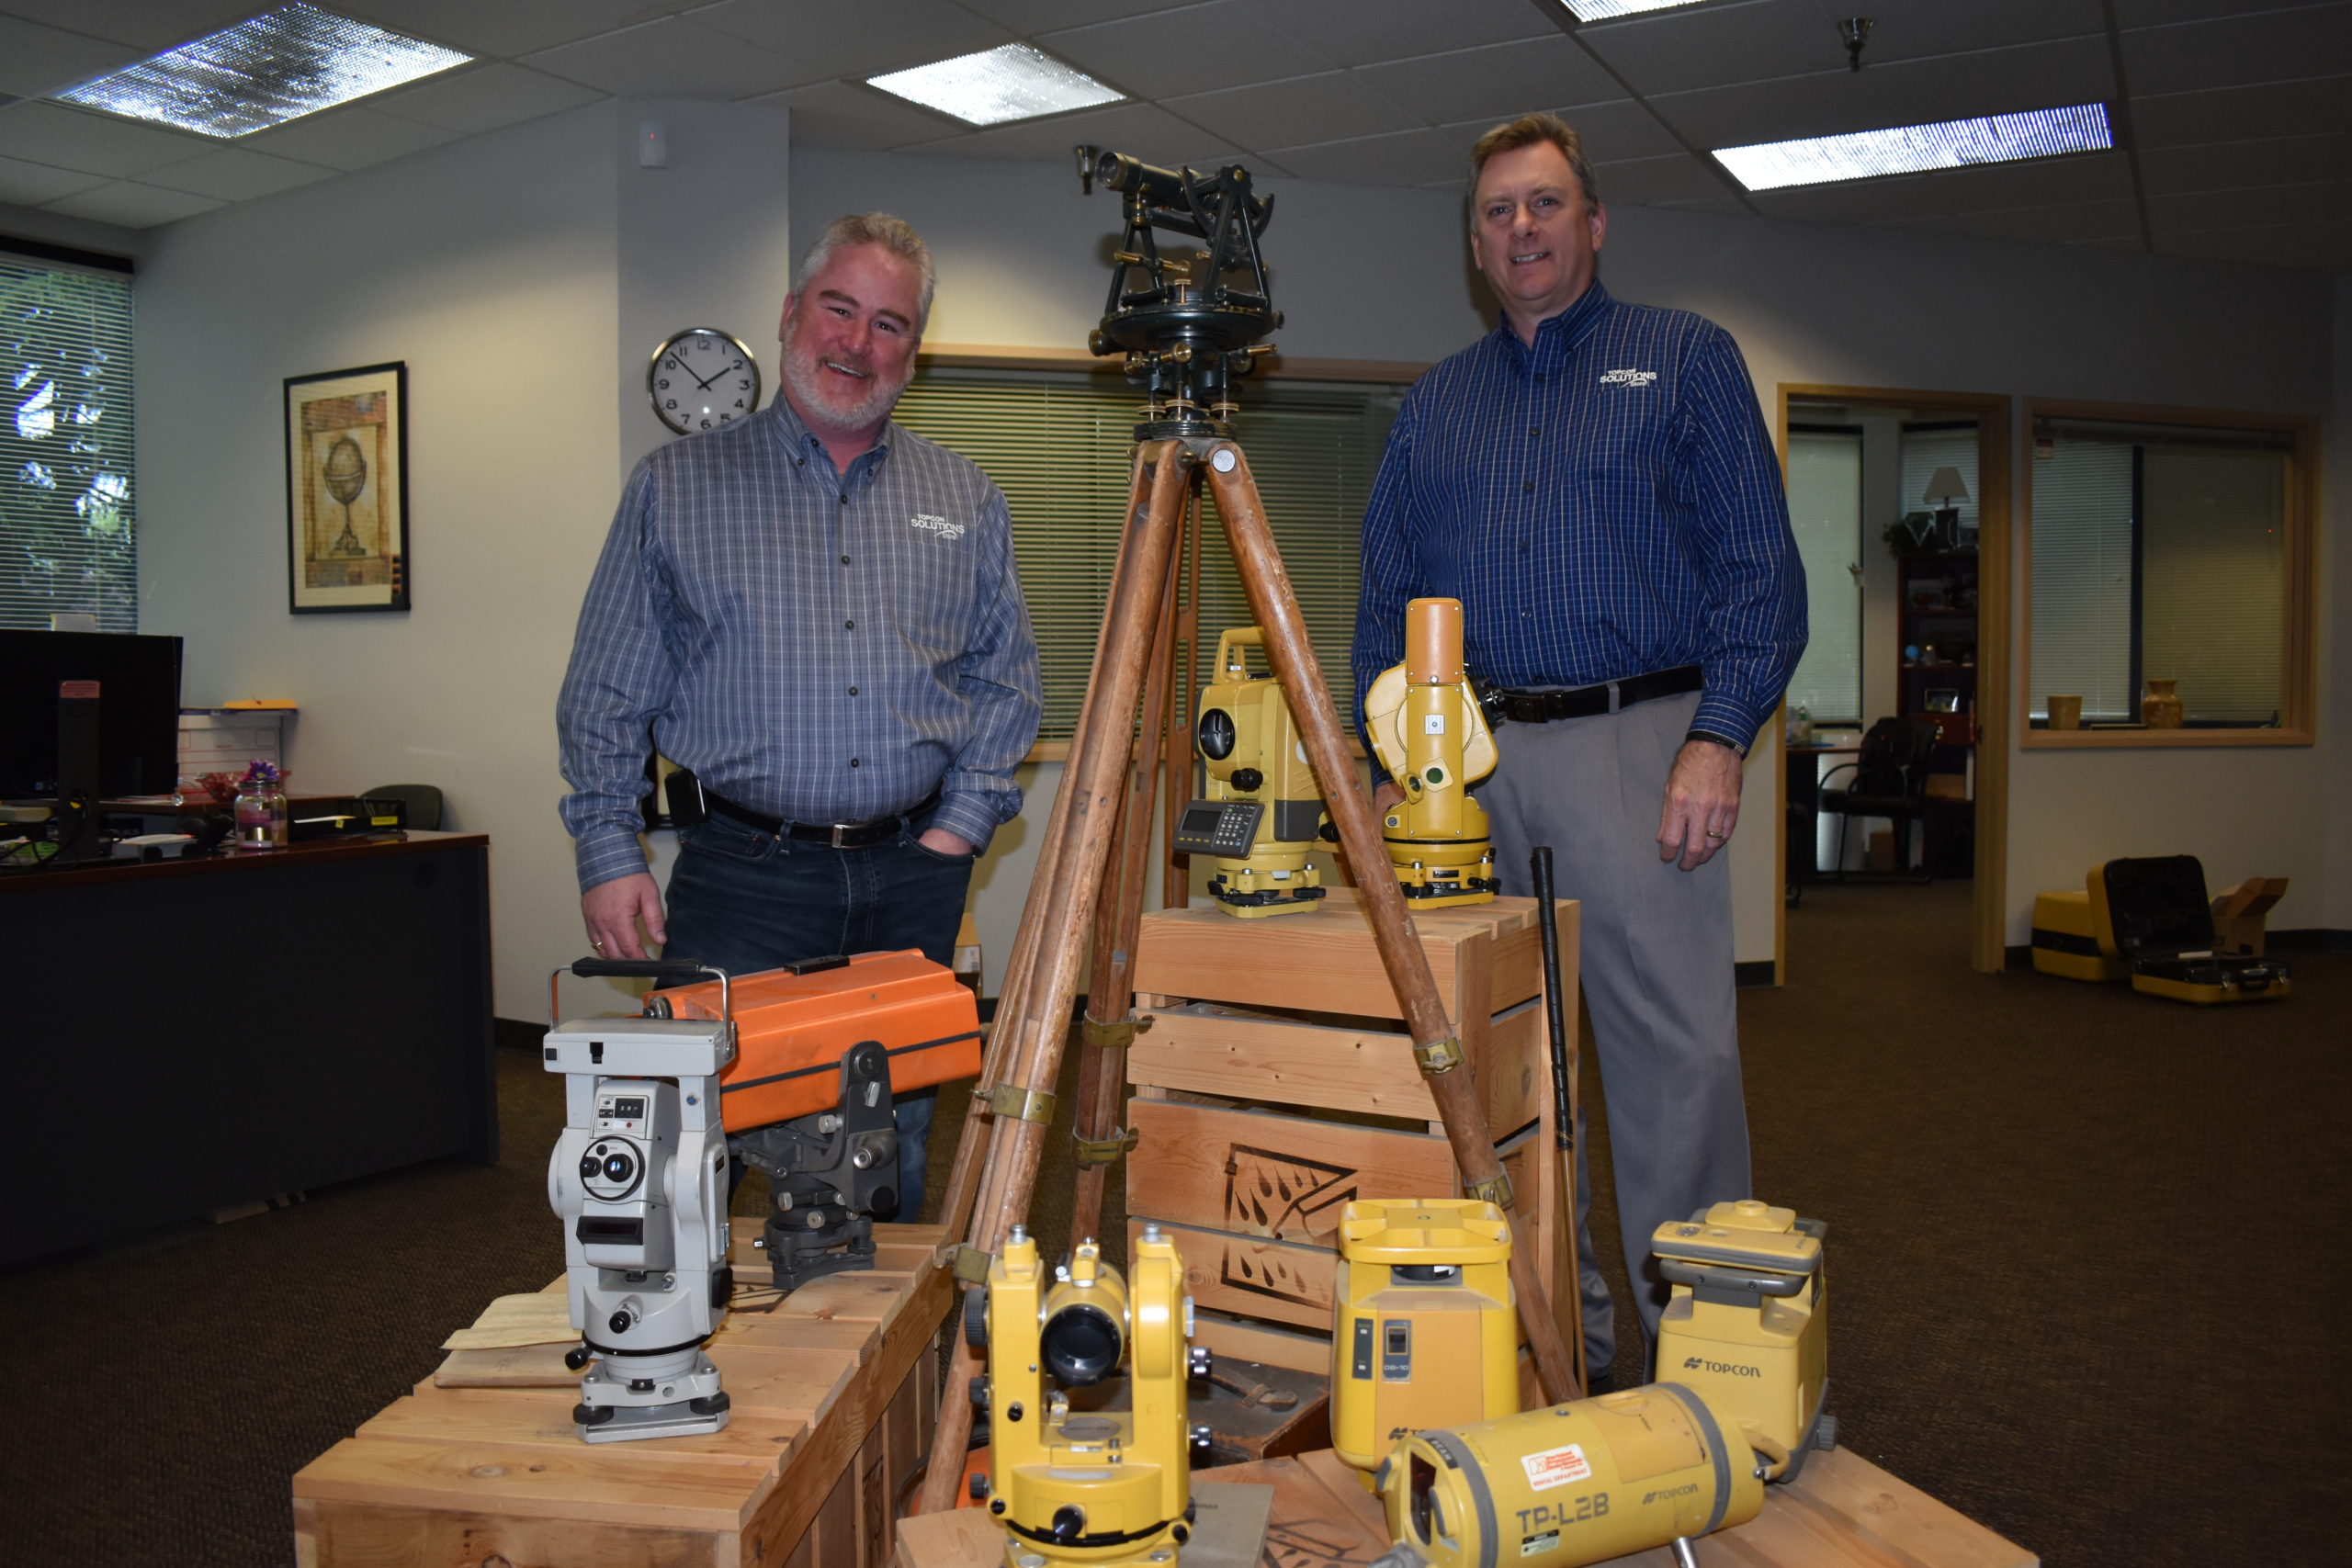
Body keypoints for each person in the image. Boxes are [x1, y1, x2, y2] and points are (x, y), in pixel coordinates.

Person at [1351, 114, 1805, 1386]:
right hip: (1469, 764)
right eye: (1497, 212)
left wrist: (1718, 736)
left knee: (1672, 1064)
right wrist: (1384, 748)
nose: (1522, 230)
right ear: (1474, 243)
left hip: (1641, 741)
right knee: (1503, 1071)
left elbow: (1758, 574)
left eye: (1545, 204)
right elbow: (1385, 588)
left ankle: (1709, 1360)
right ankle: (1562, 1333)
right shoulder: (1438, 402)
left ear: (1593, 223)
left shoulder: (1683, 361)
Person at [558, 212, 1042, 1223]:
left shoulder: (966, 498)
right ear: (789, 315)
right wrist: (607, 849)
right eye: (838, 308)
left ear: (915, 349)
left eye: (889, 324)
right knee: (703, 1137)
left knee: (890, 1128)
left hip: (912, 872)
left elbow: (1008, 685)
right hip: (743, 878)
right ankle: (712, 1358)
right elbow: (608, 690)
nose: (856, 343)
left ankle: (875, 1362)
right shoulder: (675, 489)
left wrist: (961, 825)